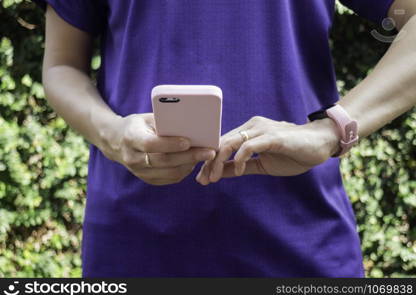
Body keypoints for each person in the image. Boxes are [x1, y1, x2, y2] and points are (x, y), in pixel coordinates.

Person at [35, 0, 416, 277]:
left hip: (302, 249)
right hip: (133, 251)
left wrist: (332, 130)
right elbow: (62, 65)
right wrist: (112, 135)